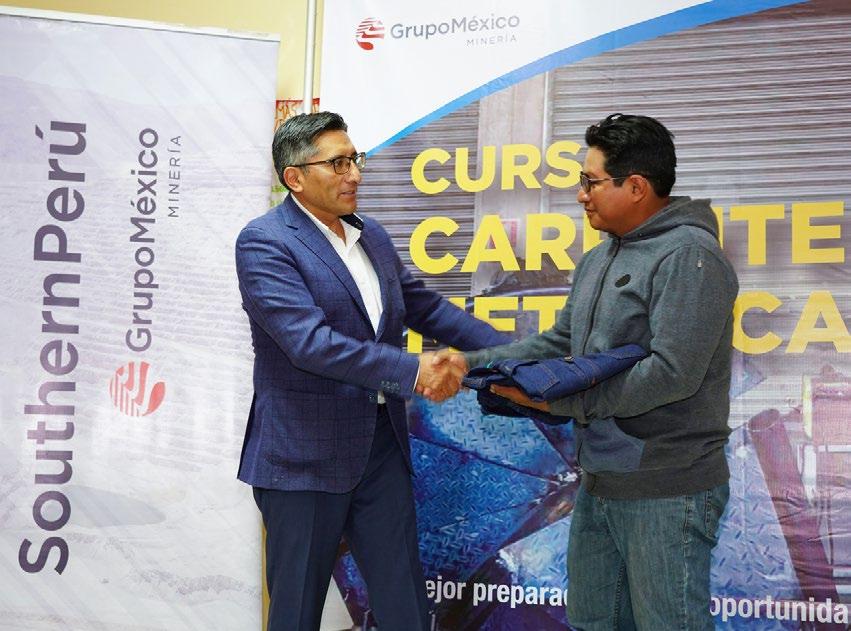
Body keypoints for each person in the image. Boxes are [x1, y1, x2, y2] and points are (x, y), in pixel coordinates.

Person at [438, 113, 739, 630]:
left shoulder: (690, 256)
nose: (581, 195)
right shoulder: (598, 259)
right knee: (594, 622)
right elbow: (561, 343)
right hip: (601, 482)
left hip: (667, 490)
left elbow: (672, 373)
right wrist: (474, 363)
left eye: (590, 182)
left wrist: (559, 400)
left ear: (636, 186)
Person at [234, 111, 509, 631]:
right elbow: (309, 344)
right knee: (296, 612)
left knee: (405, 607)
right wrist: (412, 371)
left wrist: (516, 354)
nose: (355, 174)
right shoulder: (265, 242)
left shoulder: (371, 235)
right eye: (338, 163)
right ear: (295, 177)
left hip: (380, 446)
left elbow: (424, 307)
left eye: (355, 159)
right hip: (303, 457)